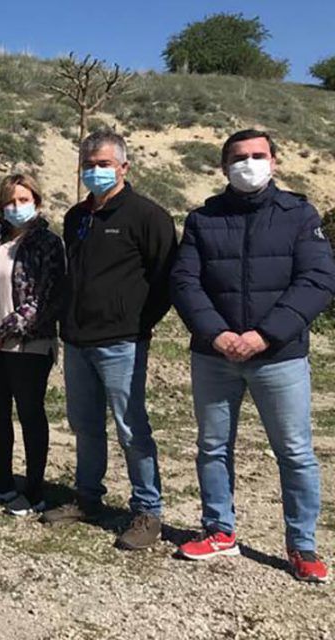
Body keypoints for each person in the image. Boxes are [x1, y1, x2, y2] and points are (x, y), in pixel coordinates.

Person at [171, 129, 335, 583]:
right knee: (212, 446)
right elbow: (185, 282)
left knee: (296, 452)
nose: (248, 164)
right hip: (214, 355)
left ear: (275, 162)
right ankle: (219, 530)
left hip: (279, 356)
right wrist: (217, 333)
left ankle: (302, 546)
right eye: (238, 157)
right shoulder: (203, 219)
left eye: (257, 155)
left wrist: (264, 335)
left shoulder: (300, 214)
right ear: (223, 167)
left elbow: (317, 281)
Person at [40, 131, 178, 552]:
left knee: (131, 427)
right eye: (88, 164)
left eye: (103, 163)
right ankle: (87, 498)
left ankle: (147, 510)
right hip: (78, 340)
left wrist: (136, 322)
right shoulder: (75, 217)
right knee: (85, 424)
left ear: (123, 167)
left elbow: (166, 280)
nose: (95, 171)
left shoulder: (148, 216)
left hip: (122, 342)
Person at [0, 174, 65, 517]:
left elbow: (45, 295)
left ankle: (34, 490)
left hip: (28, 344)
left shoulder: (48, 244)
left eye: (23, 199)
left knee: (30, 412)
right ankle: (2, 481)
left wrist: (6, 330)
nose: (16, 206)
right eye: (10, 201)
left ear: (36, 200)